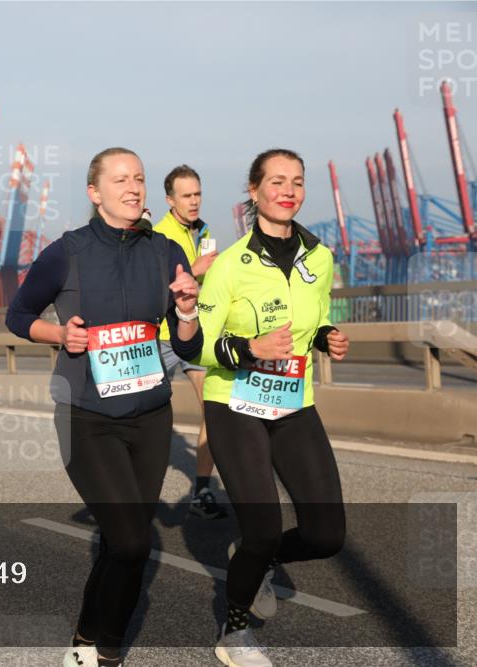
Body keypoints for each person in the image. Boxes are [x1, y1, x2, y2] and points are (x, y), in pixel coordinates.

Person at [6, 147, 202, 667]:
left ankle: (86, 639)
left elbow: (185, 347)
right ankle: (108, 653)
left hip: (151, 416)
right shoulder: (66, 252)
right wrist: (59, 333)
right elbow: (18, 313)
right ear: (95, 193)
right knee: (135, 541)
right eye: (120, 180)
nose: (133, 188)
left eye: (138, 178)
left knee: (123, 544)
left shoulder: (165, 252)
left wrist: (186, 311)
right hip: (86, 417)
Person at [198, 149, 349, 667]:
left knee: (327, 535)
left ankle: (253, 557)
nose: (289, 190)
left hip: (292, 401)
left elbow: (316, 318)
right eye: (277, 181)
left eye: (297, 182)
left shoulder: (320, 257)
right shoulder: (229, 265)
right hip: (235, 402)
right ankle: (234, 632)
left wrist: (327, 336)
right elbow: (193, 346)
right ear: (254, 190)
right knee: (262, 525)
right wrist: (249, 349)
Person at [152, 165, 228, 520]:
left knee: (214, 407)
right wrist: (194, 270)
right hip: (162, 337)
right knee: (144, 416)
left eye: (197, 193)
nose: (194, 201)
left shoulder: (206, 231)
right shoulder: (157, 236)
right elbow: (151, 291)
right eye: (186, 195)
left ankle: (202, 491)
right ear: (170, 200)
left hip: (196, 334)